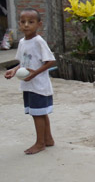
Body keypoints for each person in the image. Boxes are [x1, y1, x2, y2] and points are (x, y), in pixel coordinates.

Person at [4, 8, 56, 155]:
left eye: (31, 22)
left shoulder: (39, 41)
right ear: (19, 24)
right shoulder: (22, 42)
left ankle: (40, 143)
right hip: (28, 84)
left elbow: (50, 61)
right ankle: (48, 139)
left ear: (39, 24)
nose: (26, 25)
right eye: (23, 22)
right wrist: (14, 70)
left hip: (38, 85)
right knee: (40, 112)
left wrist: (35, 74)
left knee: (37, 114)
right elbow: (24, 62)